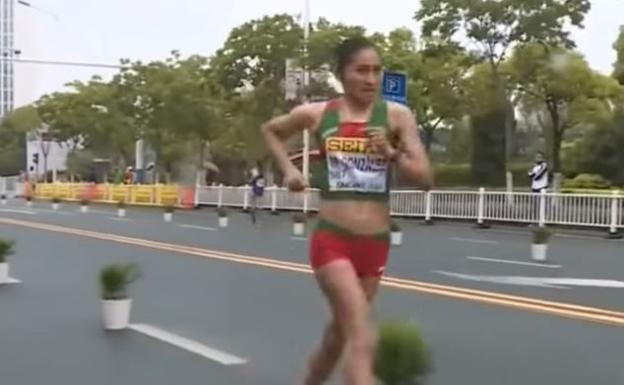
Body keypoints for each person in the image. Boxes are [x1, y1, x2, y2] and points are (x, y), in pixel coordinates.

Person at [261, 37, 433, 385]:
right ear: (342, 75)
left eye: (376, 71)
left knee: (336, 339)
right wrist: (290, 170)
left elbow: (426, 179)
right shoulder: (319, 114)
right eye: (361, 71)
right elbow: (271, 131)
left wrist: (392, 154)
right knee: (361, 335)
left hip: (375, 244)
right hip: (332, 241)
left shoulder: (397, 117)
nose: (371, 79)